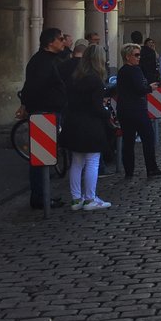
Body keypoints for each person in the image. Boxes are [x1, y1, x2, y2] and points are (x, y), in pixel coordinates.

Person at [19, 28, 69, 209]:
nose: (63, 42)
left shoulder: (51, 60)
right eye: (60, 39)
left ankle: (43, 194)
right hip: (44, 113)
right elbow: (33, 87)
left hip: (49, 111)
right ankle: (40, 196)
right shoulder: (41, 62)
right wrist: (26, 104)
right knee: (42, 157)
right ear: (51, 42)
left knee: (46, 155)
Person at [61, 45, 112, 210]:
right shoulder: (95, 80)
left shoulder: (75, 77)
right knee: (92, 161)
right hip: (90, 125)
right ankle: (90, 198)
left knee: (76, 162)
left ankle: (76, 199)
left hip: (73, 122)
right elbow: (96, 107)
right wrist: (106, 114)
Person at [115, 44, 161, 180]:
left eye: (139, 55)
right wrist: (149, 88)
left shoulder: (121, 71)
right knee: (148, 138)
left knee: (128, 141)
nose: (139, 58)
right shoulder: (134, 70)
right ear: (128, 56)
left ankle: (129, 171)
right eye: (136, 55)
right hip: (136, 109)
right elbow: (139, 88)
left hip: (124, 110)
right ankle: (151, 168)